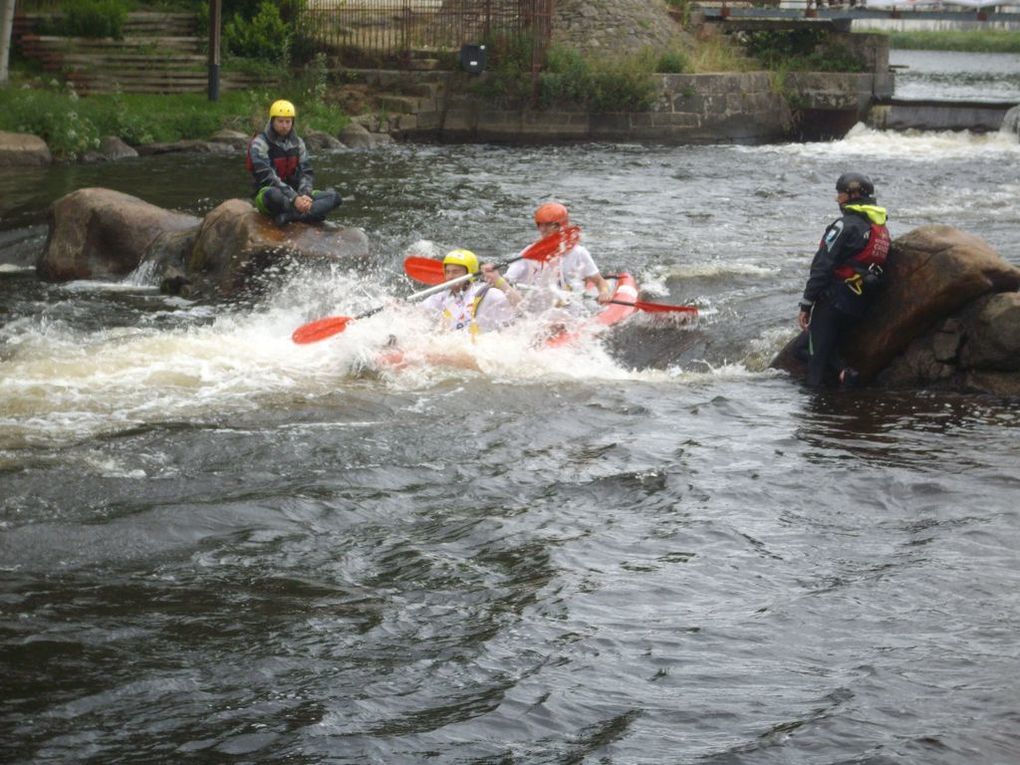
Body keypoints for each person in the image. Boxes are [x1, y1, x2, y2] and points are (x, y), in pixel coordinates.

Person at [794, 172, 890, 388]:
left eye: (841, 194)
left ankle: (818, 417)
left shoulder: (844, 225)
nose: (838, 199)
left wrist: (806, 304)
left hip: (833, 303)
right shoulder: (881, 230)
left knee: (815, 370)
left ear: (854, 195)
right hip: (857, 306)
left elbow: (822, 266)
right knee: (800, 349)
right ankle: (843, 373)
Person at [481, 202, 612, 313]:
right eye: (540, 224)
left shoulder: (578, 253)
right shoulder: (529, 253)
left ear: (562, 226)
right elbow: (507, 280)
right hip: (539, 310)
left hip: (569, 308)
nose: (543, 229)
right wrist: (494, 277)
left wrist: (604, 292)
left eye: (549, 224)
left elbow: (599, 281)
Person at [246, 99, 342, 227]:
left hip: (297, 194)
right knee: (274, 195)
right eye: (280, 121)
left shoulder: (298, 143)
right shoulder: (260, 143)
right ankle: (310, 214)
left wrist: (304, 195)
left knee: (335, 197)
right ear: (272, 121)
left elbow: (306, 172)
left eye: (288, 121)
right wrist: (294, 198)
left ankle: (292, 216)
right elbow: (268, 177)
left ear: (292, 122)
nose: (284, 125)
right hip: (268, 192)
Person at [420, 249, 514, 335]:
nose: (450, 277)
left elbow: (521, 308)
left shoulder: (486, 293)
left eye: (455, 272)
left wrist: (499, 281)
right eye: (448, 272)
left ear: (469, 273)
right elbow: (412, 315)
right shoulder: (441, 298)